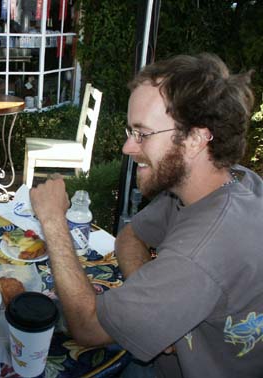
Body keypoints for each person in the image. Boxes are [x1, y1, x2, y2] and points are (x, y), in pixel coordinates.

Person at [29, 53, 263, 378]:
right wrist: (159, 309)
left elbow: (88, 326)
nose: (127, 147)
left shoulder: (200, 253)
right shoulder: (223, 181)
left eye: (143, 133)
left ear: (195, 139)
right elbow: (131, 235)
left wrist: (53, 221)